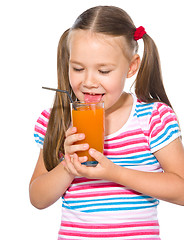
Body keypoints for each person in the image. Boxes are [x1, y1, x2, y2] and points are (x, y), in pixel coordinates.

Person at [30, 5, 184, 239]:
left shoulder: (152, 119)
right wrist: (68, 167)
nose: (89, 82)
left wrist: (114, 172)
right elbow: (37, 198)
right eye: (78, 68)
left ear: (131, 67)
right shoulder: (59, 119)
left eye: (103, 71)